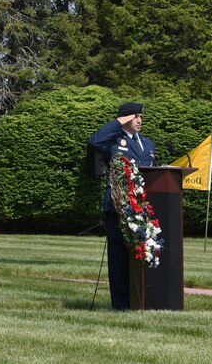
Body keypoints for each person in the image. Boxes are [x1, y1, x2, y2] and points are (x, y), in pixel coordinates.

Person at [88, 101, 156, 310]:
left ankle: (143, 299)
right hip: (119, 206)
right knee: (118, 258)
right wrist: (119, 121)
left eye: (141, 116)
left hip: (142, 207)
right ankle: (121, 304)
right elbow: (94, 142)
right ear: (125, 118)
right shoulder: (113, 141)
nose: (139, 120)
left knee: (142, 252)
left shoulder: (148, 143)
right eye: (135, 116)